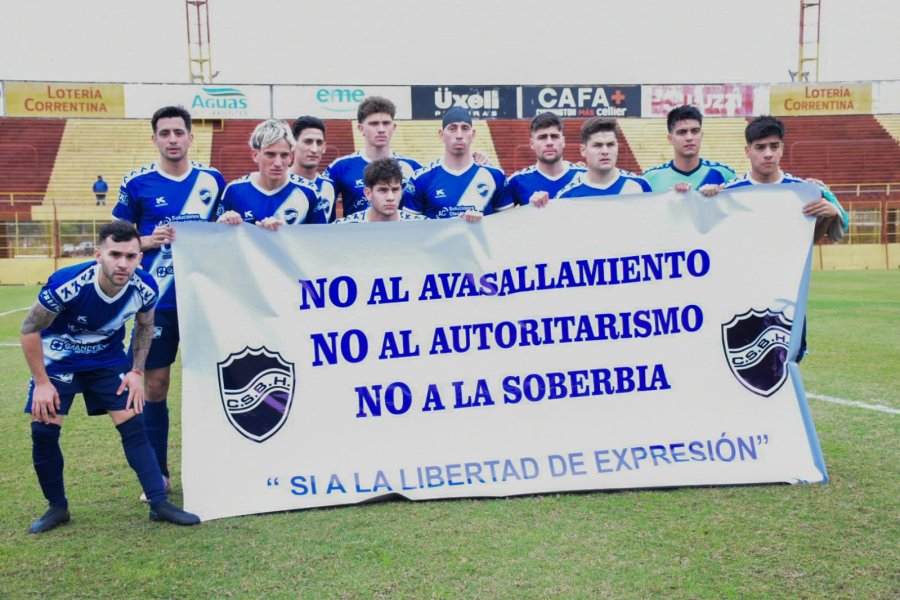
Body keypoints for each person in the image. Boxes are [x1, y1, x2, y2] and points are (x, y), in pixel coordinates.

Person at [21, 221, 200, 533]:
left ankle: (158, 504)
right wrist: (42, 382)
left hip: (105, 359)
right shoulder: (68, 283)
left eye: (131, 256)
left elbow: (145, 327)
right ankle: (57, 507)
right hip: (58, 360)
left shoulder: (144, 287)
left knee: (134, 426)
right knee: (44, 432)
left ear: (140, 258)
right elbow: (29, 329)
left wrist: (135, 371)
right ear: (98, 254)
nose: (123, 263)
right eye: (115, 254)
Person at [113, 105, 226, 497]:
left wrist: (228, 225)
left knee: (218, 382)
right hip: (156, 304)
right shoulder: (137, 183)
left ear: (191, 137)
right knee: (155, 385)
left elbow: (225, 233)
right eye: (165, 133)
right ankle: (157, 475)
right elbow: (115, 241)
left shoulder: (212, 180)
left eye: (179, 132)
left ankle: (222, 465)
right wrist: (146, 241)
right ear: (155, 138)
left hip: (205, 300)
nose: (173, 139)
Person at [713, 116, 848, 361]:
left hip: (787, 294)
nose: (768, 154)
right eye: (760, 147)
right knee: (741, 361)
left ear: (782, 149)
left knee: (788, 361)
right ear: (747, 150)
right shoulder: (729, 192)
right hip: (742, 296)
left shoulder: (802, 191)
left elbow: (806, 243)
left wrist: (829, 216)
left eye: (774, 146)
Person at [403, 106, 512, 220]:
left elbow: (507, 225)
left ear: (473, 134)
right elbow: (410, 229)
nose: (459, 135)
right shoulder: (421, 178)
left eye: (465, 128)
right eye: (452, 128)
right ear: (441, 134)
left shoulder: (495, 175)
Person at [216, 119, 326, 231]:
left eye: (284, 155)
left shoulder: (309, 192)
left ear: (290, 157)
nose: (278, 163)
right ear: (255, 155)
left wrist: (283, 233)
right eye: (270, 154)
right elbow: (219, 241)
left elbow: (319, 240)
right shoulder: (234, 190)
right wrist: (222, 224)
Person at [324, 96, 422, 218]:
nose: (381, 129)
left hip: (399, 236)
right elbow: (322, 211)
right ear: (361, 128)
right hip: (355, 236)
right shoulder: (340, 167)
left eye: (386, 123)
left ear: (394, 127)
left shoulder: (413, 167)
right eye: (374, 123)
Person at [550, 117, 651, 200]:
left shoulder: (640, 185)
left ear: (617, 147)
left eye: (610, 144)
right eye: (597, 145)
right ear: (583, 150)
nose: (605, 151)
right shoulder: (566, 196)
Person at [642, 106, 736, 192]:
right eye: (682, 132)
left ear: (701, 135)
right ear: (670, 139)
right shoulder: (650, 178)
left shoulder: (724, 174)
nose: (689, 137)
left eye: (695, 131)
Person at [499, 112, 585, 206]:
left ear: (563, 141)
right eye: (542, 137)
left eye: (554, 136)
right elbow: (500, 217)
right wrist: (528, 210)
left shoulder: (585, 175)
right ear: (532, 144)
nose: (549, 142)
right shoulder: (517, 181)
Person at [334, 158, 426, 224]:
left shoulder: (421, 225)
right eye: (383, 190)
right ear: (368, 193)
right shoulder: (344, 228)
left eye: (395, 190)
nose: (390, 197)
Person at [291, 115, 337, 222]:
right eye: (308, 141)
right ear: (293, 144)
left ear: (324, 147)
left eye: (319, 143)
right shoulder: (278, 183)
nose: (314, 149)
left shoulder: (329, 186)